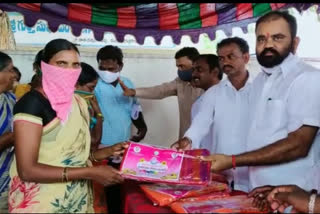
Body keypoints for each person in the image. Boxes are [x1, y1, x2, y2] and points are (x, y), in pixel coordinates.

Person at [201, 10, 320, 199]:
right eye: (261, 39)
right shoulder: (259, 82)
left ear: (295, 43)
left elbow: (299, 144)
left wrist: (232, 161)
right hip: (261, 191)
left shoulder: (308, 78)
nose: (268, 45)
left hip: (296, 194)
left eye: (278, 38)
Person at [8, 39, 126, 213]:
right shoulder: (31, 104)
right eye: (61, 63)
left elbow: (76, 157)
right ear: (44, 66)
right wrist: (90, 173)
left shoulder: (77, 102)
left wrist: (107, 152)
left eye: (75, 65)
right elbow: (27, 170)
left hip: (75, 200)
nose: (69, 71)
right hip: (41, 203)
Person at [171, 37, 252, 192]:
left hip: (253, 173)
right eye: (221, 58)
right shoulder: (214, 93)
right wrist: (188, 139)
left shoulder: (261, 88)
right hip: (221, 171)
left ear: (246, 57)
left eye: (231, 56)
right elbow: (201, 121)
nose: (225, 62)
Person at [94, 45, 148, 213]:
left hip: (123, 147)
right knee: (104, 195)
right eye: (102, 68)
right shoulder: (94, 85)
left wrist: (142, 129)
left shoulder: (128, 83)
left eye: (111, 68)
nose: (106, 72)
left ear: (120, 66)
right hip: (101, 149)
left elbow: (135, 110)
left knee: (122, 191)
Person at [75, 62, 128, 214]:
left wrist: (110, 150)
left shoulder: (83, 107)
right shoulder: (68, 114)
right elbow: (93, 142)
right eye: (91, 88)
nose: (92, 94)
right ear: (75, 85)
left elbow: (86, 153)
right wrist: (98, 113)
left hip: (83, 176)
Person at [120, 47, 203, 138]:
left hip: (205, 137)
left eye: (182, 66)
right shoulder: (180, 82)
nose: (179, 70)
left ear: (195, 64)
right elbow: (160, 91)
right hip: (186, 136)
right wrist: (134, 92)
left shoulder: (208, 86)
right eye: (178, 66)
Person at [0, 51, 16, 213]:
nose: (14, 75)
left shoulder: (11, 99)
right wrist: (13, 136)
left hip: (9, 184)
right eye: (10, 70)